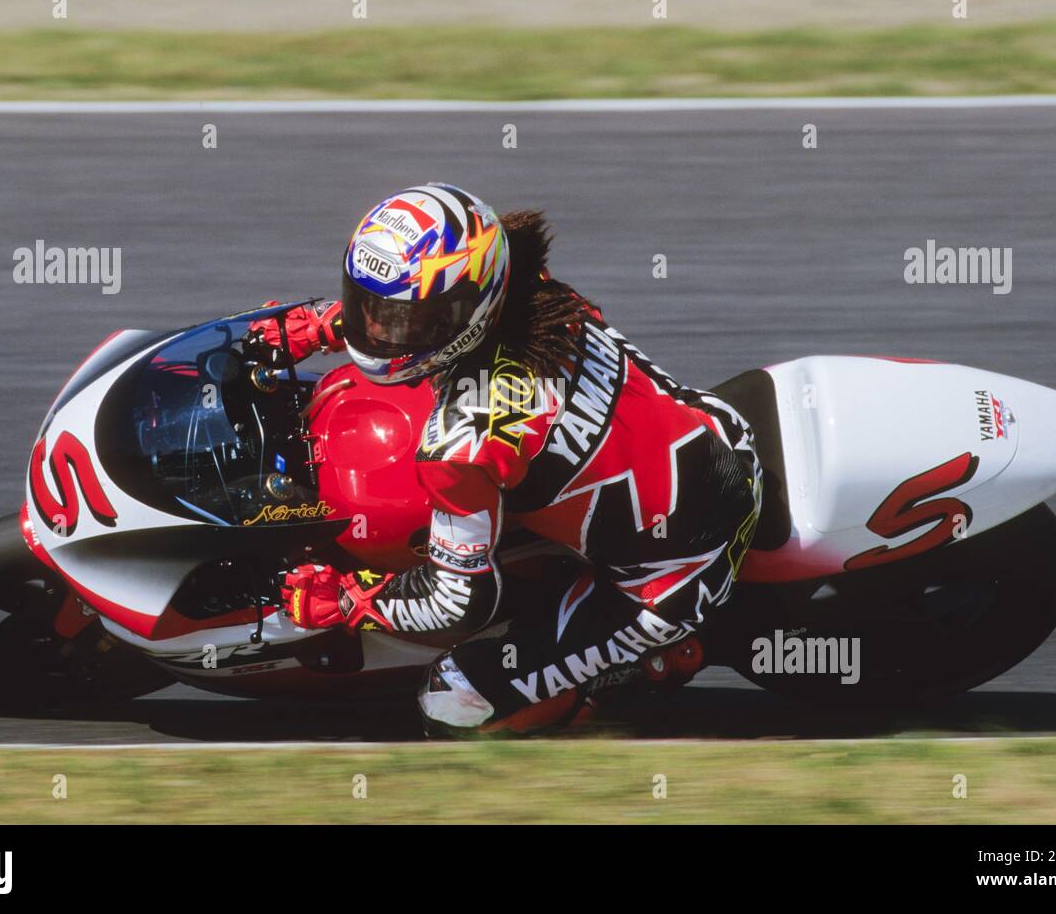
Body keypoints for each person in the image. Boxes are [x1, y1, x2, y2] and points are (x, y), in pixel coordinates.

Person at [254, 183, 761, 734]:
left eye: (395, 318)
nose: (375, 330)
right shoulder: (530, 285)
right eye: (365, 306)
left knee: (453, 706)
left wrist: (349, 601)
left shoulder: (462, 446)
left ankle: (629, 673)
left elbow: (459, 600)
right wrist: (332, 323)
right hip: (715, 430)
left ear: (464, 312)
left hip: (672, 573)